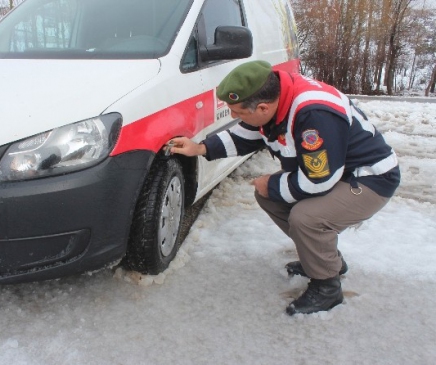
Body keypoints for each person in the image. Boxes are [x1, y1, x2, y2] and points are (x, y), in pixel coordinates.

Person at [168, 60, 400, 315]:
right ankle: (325, 259)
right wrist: (200, 148)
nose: (235, 117)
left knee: (306, 218)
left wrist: (273, 183)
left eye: (239, 112)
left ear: (263, 107)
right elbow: (247, 133)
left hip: (369, 179)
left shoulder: (313, 115)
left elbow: (319, 181)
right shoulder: (277, 98)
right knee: (270, 197)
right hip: (338, 172)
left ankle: (327, 287)